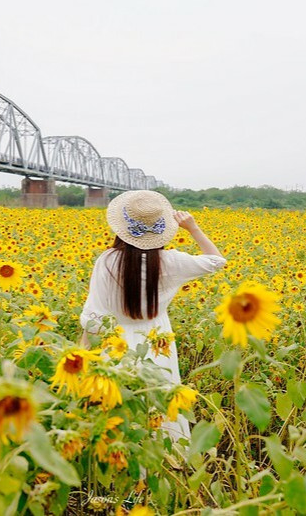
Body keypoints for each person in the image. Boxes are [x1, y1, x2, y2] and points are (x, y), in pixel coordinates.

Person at [79, 190, 226, 443]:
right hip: (157, 342)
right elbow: (216, 261)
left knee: (116, 409)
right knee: (161, 403)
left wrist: (81, 354)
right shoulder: (171, 261)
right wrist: (193, 228)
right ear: (162, 230)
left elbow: (93, 316)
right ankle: (167, 463)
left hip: (113, 342)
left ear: (121, 228)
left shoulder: (106, 261)